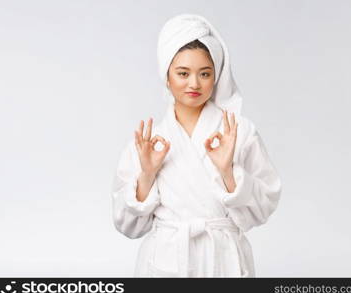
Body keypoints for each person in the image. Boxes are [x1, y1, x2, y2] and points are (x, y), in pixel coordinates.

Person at [111, 14, 282, 277]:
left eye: (205, 73)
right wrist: (146, 176)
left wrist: (229, 172)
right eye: (183, 73)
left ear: (216, 76)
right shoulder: (150, 142)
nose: (194, 83)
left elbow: (264, 205)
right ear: (166, 76)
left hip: (222, 260)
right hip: (167, 258)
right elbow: (127, 226)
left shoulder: (238, 132)